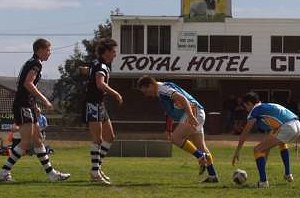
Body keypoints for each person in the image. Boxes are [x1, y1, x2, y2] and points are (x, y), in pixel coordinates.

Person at [0, 38, 70, 182]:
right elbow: (28, 83)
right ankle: (4, 172)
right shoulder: (36, 64)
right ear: (40, 50)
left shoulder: (32, 62)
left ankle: (52, 175)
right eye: (48, 50)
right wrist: (44, 100)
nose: (50, 53)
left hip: (27, 104)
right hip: (23, 105)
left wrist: (34, 105)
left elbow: (24, 86)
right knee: (25, 142)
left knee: (38, 140)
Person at [137, 76, 218, 183]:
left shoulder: (163, 89)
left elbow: (183, 99)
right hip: (196, 111)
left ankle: (200, 156)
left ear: (151, 85)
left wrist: (190, 115)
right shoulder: (162, 90)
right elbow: (170, 112)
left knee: (175, 138)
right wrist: (169, 129)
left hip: (193, 112)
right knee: (200, 146)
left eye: (146, 91)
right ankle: (213, 176)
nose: (146, 94)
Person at [232, 92, 300, 188]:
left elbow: (246, 131)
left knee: (257, 149)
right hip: (296, 124)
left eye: (245, 106)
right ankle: (288, 175)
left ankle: (263, 182)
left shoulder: (255, 110)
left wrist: (237, 151)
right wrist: (264, 158)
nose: (246, 109)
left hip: (287, 127)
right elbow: (271, 135)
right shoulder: (268, 106)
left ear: (249, 103)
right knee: (280, 143)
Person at [85, 38, 123, 185]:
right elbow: (100, 84)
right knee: (98, 139)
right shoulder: (101, 66)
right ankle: (95, 173)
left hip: (99, 104)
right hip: (93, 104)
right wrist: (116, 94)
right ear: (106, 52)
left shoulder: (97, 64)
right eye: (113, 52)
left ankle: (96, 169)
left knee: (110, 136)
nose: (115, 54)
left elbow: (92, 75)